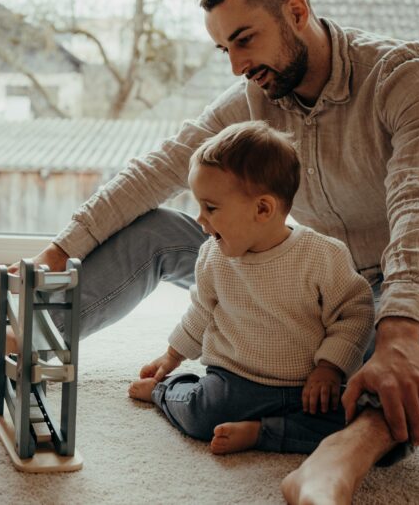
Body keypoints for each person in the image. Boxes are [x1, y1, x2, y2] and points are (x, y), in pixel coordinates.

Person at [0, 0, 419, 504]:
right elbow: (156, 169)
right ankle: (25, 341)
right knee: (158, 225)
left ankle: (353, 445)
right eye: (222, 49)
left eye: (244, 39)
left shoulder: (406, 77)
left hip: (395, 302)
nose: (236, 64)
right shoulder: (255, 93)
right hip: (291, 273)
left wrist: (400, 337)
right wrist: (56, 254)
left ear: (297, 12)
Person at [127, 121, 374, 456]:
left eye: (211, 208)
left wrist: (330, 367)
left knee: (361, 424)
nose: (200, 218)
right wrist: (172, 357)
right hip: (235, 383)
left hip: (310, 387)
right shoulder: (212, 256)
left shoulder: (321, 255)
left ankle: (262, 434)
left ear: (262, 209)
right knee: (203, 416)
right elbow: (201, 311)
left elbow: (354, 314)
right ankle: (164, 392)